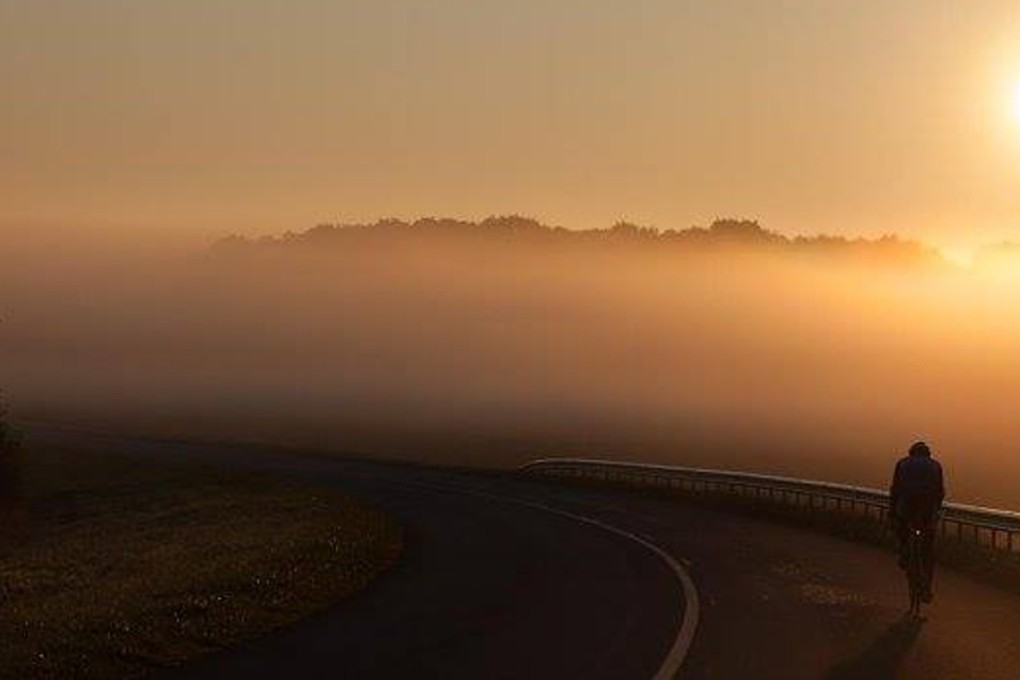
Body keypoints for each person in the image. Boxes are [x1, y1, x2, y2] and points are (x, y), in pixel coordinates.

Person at [889, 441, 945, 602]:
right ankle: (927, 588)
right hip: (927, 508)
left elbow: (895, 489)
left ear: (911, 453)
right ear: (928, 454)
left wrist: (892, 512)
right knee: (928, 548)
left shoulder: (902, 463)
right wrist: (936, 510)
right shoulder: (935, 465)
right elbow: (940, 492)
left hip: (907, 505)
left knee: (901, 526)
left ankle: (904, 551)